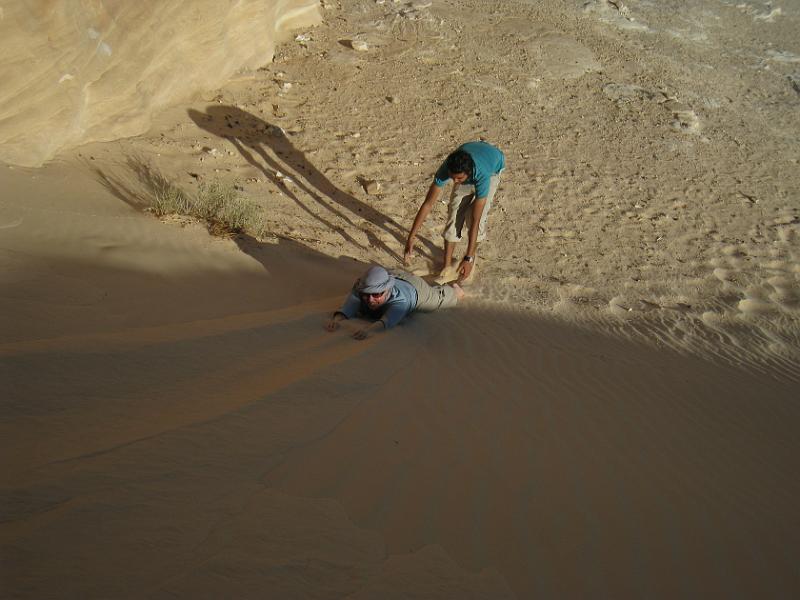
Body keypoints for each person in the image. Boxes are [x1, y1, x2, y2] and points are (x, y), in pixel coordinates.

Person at [404, 141, 505, 282]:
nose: (455, 181)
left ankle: (471, 259)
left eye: (459, 178)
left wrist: (468, 258)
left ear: (468, 173)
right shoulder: (447, 169)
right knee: (454, 215)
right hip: (472, 157)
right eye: (452, 178)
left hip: (492, 167)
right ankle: (446, 267)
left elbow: (475, 221)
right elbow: (427, 204)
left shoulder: (482, 176)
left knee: (473, 218)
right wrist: (411, 237)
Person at [326, 265, 464, 340]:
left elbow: (387, 320)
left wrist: (368, 330)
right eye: (366, 295)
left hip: (415, 289)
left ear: (387, 291)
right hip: (393, 274)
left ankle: (455, 289)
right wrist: (336, 320)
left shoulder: (401, 301)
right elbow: (348, 307)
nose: (370, 299)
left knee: (438, 300)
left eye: (376, 294)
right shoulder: (360, 288)